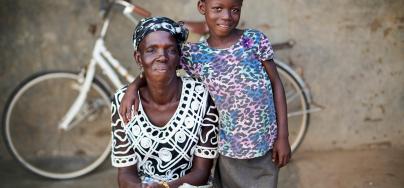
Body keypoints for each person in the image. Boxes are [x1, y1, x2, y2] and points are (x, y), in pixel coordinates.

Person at [119, 0, 291, 187]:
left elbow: (276, 84)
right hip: (227, 151)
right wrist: (133, 87)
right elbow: (160, 66)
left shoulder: (254, 40)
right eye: (218, 9)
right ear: (202, 8)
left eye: (234, 10)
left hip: (265, 146)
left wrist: (283, 137)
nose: (226, 16)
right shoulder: (194, 55)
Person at [111, 17, 219, 188]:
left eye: (170, 50)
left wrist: (164, 187)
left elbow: (202, 172)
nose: (162, 57)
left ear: (178, 57)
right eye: (151, 50)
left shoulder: (201, 97)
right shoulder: (123, 101)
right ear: (139, 58)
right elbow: (125, 173)